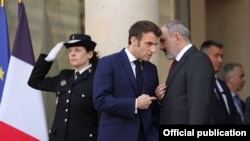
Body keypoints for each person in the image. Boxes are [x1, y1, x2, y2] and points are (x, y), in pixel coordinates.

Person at [93, 20, 162, 141]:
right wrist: (135, 104)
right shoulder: (108, 63)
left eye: (155, 45)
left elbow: (152, 107)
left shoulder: (152, 69)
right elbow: (100, 100)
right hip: (116, 136)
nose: (153, 50)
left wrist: (159, 99)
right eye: (149, 44)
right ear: (134, 40)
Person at [28, 34, 100, 141]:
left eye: (77, 50)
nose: (72, 54)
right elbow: (34, 82)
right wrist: (47, 60)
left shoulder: (98, 78)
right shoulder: (65, 76)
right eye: (70, 51)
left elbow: (102, 114)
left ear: (89, 54)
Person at [155, 20, 215, 124]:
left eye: (163, 41)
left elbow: (199, 108)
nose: (161, 47)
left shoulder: (198, 60)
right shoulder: (181, 62)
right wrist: (162, 99)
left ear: (177, 38)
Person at [200, 40, 242, 124]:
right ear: (203, 57)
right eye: (216, 56)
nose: (220, 60)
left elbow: (233, 114)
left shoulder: (223, 85)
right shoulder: (198, 83)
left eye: (221, 56)